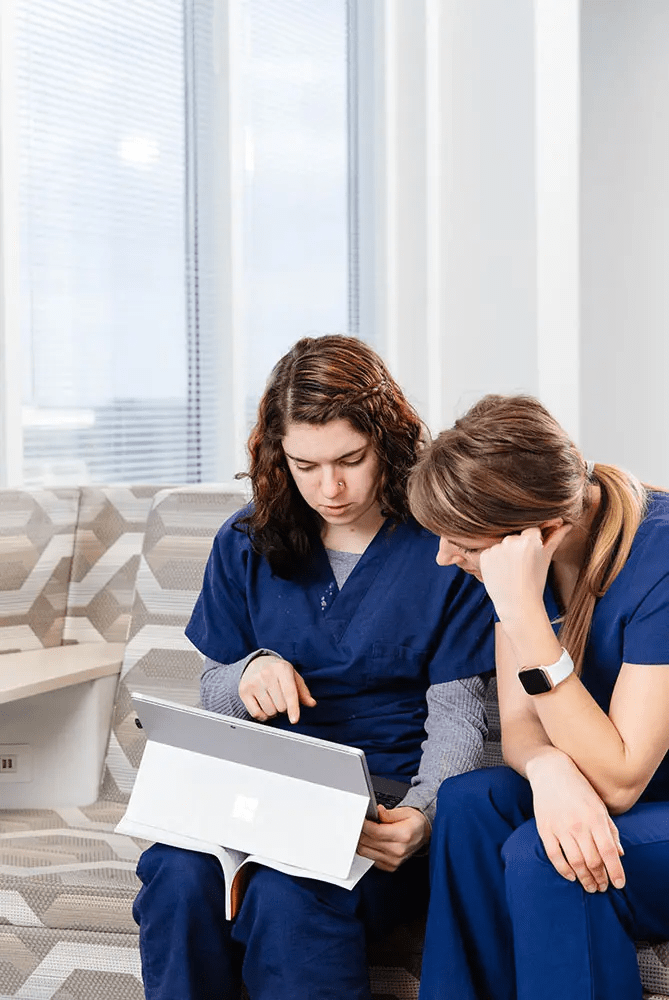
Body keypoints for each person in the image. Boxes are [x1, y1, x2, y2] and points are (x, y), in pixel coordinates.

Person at [132, 334, 495, 1000]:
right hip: (253, 799)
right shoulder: (244, 540)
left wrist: (421, 816)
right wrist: (245, 676)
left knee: (287, 890)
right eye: (304, 466)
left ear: (385, 442)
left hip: (374, 807)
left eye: (349, 461)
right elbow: (214, 690)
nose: (329, 488)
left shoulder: (442, 546)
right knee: (176, 875)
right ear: (278, 456)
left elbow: (457, 719)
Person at [407, 392, 669, 1000]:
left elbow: (622, 778)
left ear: (543, 530)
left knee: (546, 858)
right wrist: (549, 768)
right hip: (634, 797)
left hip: (649, 794)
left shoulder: (659, 560)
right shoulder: (515, 561)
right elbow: (522, 731)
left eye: (464, 544)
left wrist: (523, 614)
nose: (446, 558)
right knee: (469, 805)